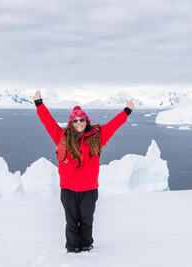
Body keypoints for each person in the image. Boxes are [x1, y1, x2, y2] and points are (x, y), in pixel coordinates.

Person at [33, 90, 135, 253]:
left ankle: (87, 248)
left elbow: (113, 125)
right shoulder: (62, 137)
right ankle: (72, 249)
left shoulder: (97, 137)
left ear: (86, 121)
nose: (79, 122)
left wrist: (126, 111)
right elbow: (48, 122)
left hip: (89, 189)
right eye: (75, 120)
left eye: (81, 119)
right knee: (71, 222)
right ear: (71, 123)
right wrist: (39, 104)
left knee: (87, 220)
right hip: (68, 189)